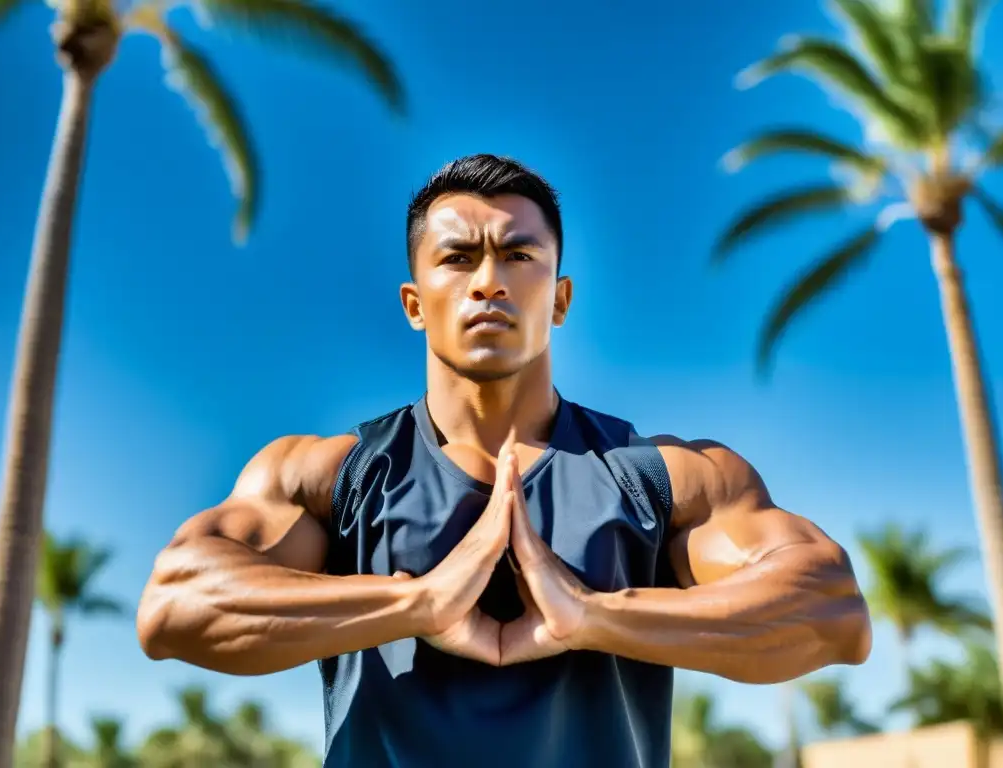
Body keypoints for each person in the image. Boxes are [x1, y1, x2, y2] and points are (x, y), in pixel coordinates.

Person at [136, 154, 872, 767]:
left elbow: (832, 610)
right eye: (457, 258)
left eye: (519, 255)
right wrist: (416, 602)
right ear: (414, 303)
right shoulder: (335, 476)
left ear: (559, 298)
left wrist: (592, 616)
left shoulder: (662, 478)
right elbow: (176, 606)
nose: (489, 280)